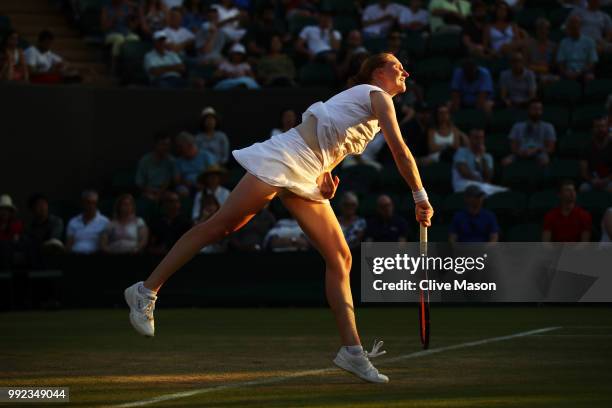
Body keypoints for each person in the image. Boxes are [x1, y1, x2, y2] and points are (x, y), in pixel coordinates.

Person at [124, 53, 433, 384]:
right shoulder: (377, 96)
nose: (406, 71)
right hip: (286, 157)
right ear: (376, 72)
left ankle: (352, 353)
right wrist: (420, 195)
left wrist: (326, 173)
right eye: (397, 66)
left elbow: (327, 132)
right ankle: (146, 290)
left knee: (340, 258)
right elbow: (400, 151)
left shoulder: (365, 105)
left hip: (309, 173)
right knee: (222, 226)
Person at [452, 128, 508, 195]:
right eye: (476, 138)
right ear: (470, 139)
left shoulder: (487, 156)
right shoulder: (461, 152)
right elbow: (465, 173)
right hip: (463, 184)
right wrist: (482, 181)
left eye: (481, 138)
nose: (479, 141)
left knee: (506, 192)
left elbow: (488, 177)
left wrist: (482, 157)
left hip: (481, 185)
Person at [502, 100, 556, 167]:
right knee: (505, 161)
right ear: (528, 110)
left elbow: (551, 148)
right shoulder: (517, 126)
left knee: (545, 161)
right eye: (534, 109)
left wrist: (536, 150)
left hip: (539, 152)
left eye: (539, 109)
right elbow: (513, 147)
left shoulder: (548, 127)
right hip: (520, 152)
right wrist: (521, 152)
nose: (537, 112)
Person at [135, 132, 178, 201]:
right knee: (149, 199)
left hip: (165, 191)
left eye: (168, 145)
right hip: (148, 191)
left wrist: (161, 192)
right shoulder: (145, 160)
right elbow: (139, 182)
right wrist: (152, 191)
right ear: (155, 145)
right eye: (163, 144)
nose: (166, 147)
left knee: (174, 198)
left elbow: (174, 181)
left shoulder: (172, 161)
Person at [557, 15, 598, 82]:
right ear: (569, 27)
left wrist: (580, 72)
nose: (573, 26)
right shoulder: (563, 42)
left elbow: (592, 62)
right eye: (571, 24)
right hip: (568, 72)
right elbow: (560, 62)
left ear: (580, 25)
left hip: (584, 72)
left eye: (575, 23)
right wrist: (565, 72)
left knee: (590, 77)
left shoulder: (589, 41)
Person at [25, 194, 64, 264]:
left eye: (44, 203)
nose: (42, 207)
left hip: (52, 254)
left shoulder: (56, 221)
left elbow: (53, 240)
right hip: (35, 256)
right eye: (38, 205)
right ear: (32, 209)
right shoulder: (30, 226)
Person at [580, 117, 612, 192]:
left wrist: (607, 180)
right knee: (583, 188)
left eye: (602, 126)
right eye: (597, 126)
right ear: (593, 129)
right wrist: (592, 180)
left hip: (609, 180)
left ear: (607, 128)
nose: (600, 129)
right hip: (592, 181)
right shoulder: (586, 147)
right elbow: (583, 170)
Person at [525, 18, 559, 83]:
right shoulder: (529, 46)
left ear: (548, 30)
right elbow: (525, 64)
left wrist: (545, 69)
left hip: (548, 75)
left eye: (545, 28)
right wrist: (539, 68)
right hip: (532, 75)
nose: (542, 31)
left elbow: (555, 66)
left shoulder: (554, 46)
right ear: (536, 30)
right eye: (540, 28)